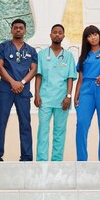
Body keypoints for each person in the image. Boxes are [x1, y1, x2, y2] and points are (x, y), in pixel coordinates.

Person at [0, 19, 38, 161]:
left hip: (23, 91)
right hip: (6, 89)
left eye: (21, 28)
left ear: (25, 30)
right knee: (0, 122)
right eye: (15, 28)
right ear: (11, 30)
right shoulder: (3, 47)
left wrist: (21, 83)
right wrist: (12, 82)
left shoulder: (31, 50)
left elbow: (34, 69)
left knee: (25, 123)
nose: (18, 30)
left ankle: (27, 157)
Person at [34, 24, 77, 161]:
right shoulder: (42, 54)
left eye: (60, 33)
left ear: (63, 36)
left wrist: (68, 96)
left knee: (59, 131)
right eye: (55, 32)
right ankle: (41, 160)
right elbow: (38, 75)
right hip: (45, 99)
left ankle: (57, 161)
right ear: (50, 35)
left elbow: (70, 77)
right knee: (43, 130)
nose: (57, 34)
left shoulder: (68, 56)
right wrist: (37, 94)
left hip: (62, 99)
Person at [74, 25, 100, 161]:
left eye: (95, 34)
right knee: (81, 123)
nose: (93, 37)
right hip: (86, 90)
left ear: (99, 35)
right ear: (86, 39)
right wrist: (76, 96)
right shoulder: (83, 57)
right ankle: (81, 160)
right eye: (90, 35)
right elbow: (80, 79)